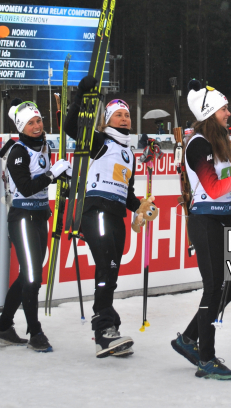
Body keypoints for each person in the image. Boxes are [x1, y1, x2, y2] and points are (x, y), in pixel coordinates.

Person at [171, 79, 231, 380]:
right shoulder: (198, 143)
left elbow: (225, 186)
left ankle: (188, 338)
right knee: (213, 287)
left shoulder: (220, 142)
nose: (229, 113)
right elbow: (212, 188)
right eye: (224, 108)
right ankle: (206, 359)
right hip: (205, 221)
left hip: (224, 220)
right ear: (210, 111)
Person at [64, 76, 157, 358]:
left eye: (127, 114)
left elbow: (127, 193)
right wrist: (80, 96)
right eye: (119, 114)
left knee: (112, 271)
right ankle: (104, 327)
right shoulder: (100, 141)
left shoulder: (128, 153)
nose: (125, 118)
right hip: (96, 212)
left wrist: (141, 206)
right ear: (107, 120)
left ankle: (108, 327)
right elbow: (71, 127)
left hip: (116, 215)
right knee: (106, 266)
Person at [0, 99, 71, 351]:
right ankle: (35, 332)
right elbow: (24, 188)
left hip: (39, 217)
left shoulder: (43, 146)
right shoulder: (18, 151)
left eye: (38, 121)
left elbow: (43, 182)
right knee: (33, 278)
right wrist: (51, 175)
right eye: (30, 123)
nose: (36, 126)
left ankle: (3, 327)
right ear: (21, 128)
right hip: (22, 218)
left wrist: (61, 179)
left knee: (28, 275)